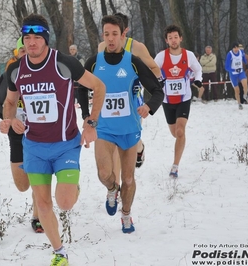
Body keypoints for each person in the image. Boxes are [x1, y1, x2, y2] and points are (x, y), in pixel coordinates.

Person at [0, 13, 105, 265]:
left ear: (45, 40)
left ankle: (72, 187)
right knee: (43, 204)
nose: (32, 43)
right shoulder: (16, 70)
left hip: (65, 145)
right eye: (27, 38)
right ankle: (59, 252)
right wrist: (9, 119)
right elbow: (10, 101)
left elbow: (99, 87)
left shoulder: (64, 63)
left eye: (37, 37)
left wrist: (91, 121)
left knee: (65, 203)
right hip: (34, 147)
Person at [79, 15, 163, 233]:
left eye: (115, 34)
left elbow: (157, 90)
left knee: (128, 178)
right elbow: (81, 87)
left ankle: (126, 215)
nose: (110, 39)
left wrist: (149, 106)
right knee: (103, 174)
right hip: (104, 129)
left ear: (123, 34)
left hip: (129, 129)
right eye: (106, 34)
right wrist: (87, 115)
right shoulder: (94, 61)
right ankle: (111, 189)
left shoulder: (133, 62)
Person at [0, 37, 44, 233]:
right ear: (17, 53)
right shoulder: (10, 75)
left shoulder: (45, 73)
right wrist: (10, 119)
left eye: (29, 50)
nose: (26, 54)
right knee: (22, 185)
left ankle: (38, 215)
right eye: (22, 51)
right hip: (17, 135)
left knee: (39, 176)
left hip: (40, 134)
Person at [154, 24, 205, 178]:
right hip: (167, 100)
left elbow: (198, 69)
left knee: (180, 131)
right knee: (175, 133)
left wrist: (198, 80)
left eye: (176, 37)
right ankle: (180, 143)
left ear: (181, 38)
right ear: (166, 40)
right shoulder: (161, 56)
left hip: (184, 98)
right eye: (170, 38)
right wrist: (158, 81)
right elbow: (152, 70)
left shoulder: (188, 55)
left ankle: (175, 166)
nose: (174, 40)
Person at [224, 42, 248, 110]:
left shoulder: (241, 52)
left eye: (237, 47)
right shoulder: (230, 54)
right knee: (237, 90)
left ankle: (245, 95)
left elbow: (244, 59)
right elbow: (226, 67)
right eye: (234, 48)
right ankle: (239, 103)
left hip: (241, 72)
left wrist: (246, 64)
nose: (236, 49)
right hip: (233, 74)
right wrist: (233, 70)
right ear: (232, 48)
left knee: (245, 84)